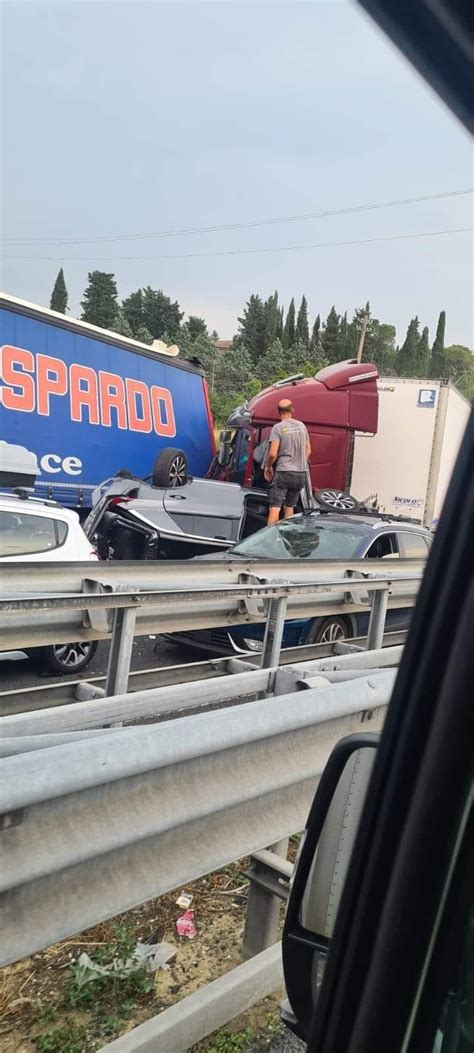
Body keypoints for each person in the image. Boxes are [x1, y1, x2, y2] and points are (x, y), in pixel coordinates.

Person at [264, 399, 311, 525]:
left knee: (274, 508)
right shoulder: (301, 426)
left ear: (278, 412)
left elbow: (273, 453)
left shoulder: (278, 428)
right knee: (289, 507)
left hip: (284, 471)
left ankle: (271, 540)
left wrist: (268, 466)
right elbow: (308, 450)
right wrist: (299, 461)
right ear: (292, 410)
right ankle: (285, 537)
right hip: (300, 474)